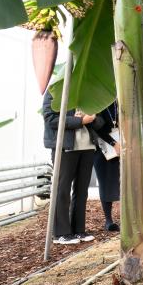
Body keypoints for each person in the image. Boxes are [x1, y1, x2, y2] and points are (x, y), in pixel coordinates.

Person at [41, 91, 103, 245]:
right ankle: (61, 233)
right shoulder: (54, 90)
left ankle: (78, 230)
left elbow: (100, 123)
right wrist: (79, 120)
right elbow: (50, 119)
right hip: (65, 148)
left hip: (87, 147)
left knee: (81, 191)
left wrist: (92, 118)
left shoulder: (87, 91)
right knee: (62, 190)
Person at [92, 101, 121, 232]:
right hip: (102, 147)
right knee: (105, 182)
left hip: (121, 144)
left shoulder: (119, 101)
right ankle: (108, 220)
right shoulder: (98, 101)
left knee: (122, 182)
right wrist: (113, 143)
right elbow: (96, 126)